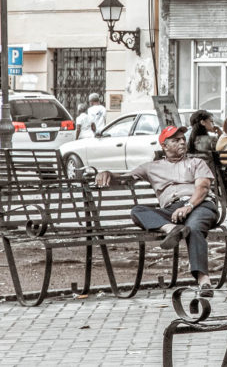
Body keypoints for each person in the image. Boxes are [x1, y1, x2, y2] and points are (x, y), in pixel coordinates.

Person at [94, 125, 220, 296]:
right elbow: (125, 179)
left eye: (183, 139)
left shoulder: (196, 163)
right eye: (176, 140)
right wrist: (107, 174)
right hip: (171, 210)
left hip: (200, 205)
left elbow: (203, 188)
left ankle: (204, 280)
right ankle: (170, 229)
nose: (182, 142)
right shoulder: (151, 167)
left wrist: (188, 206)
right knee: (138, 210)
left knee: (194, 228)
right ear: (164, 146)